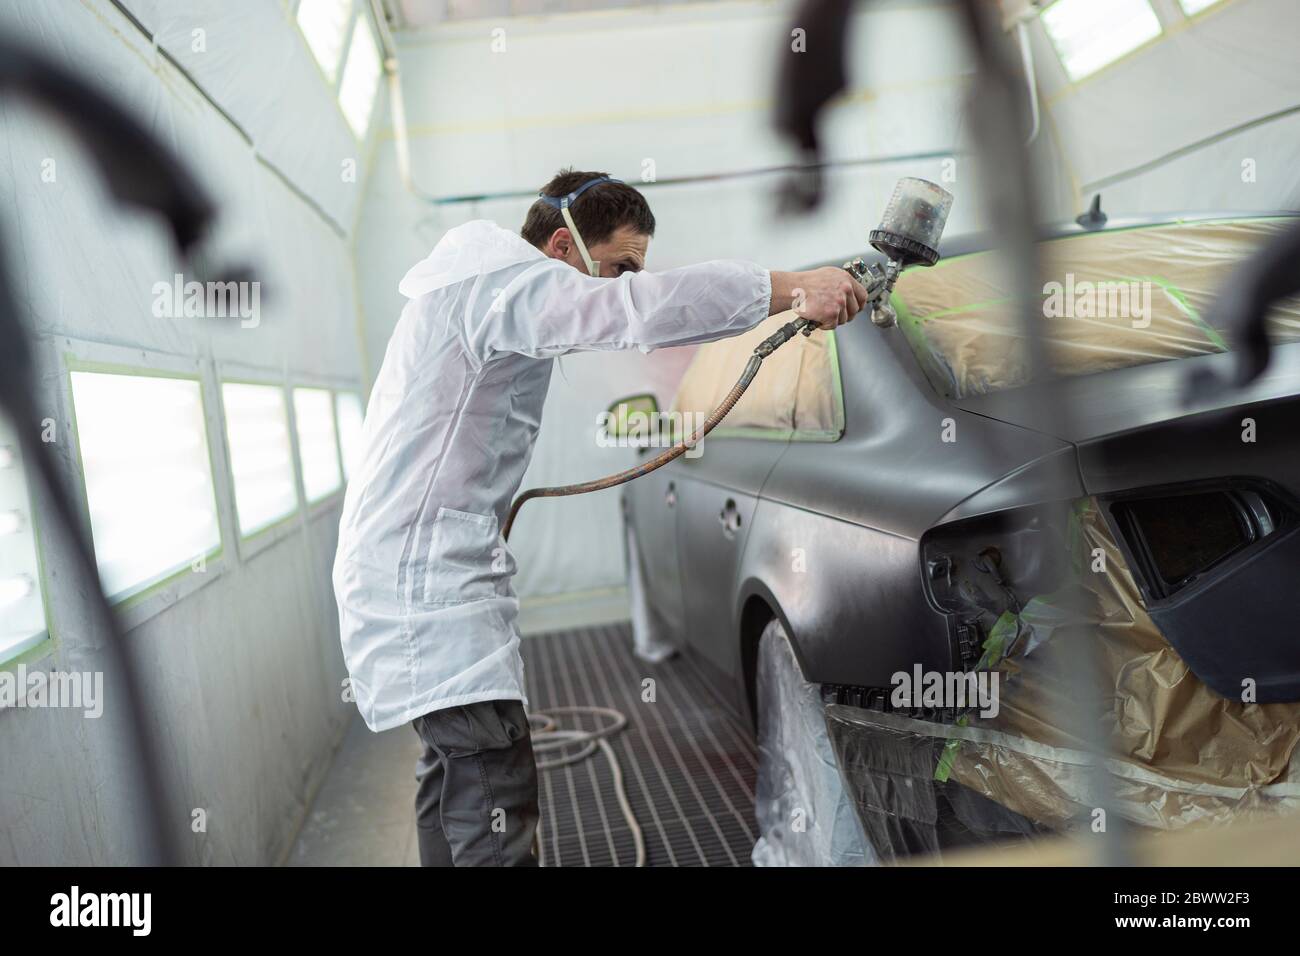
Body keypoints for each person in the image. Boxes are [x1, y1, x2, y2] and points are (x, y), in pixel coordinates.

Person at [332, 168, 869, 866]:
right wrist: (794, 287)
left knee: (453, 781)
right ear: (561, 246)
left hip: (411, 580)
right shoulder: (503, 282)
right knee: (493, 789)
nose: (621, 286)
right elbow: (636, 312)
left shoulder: (475, 288)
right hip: (426, 592)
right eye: (617, 268)